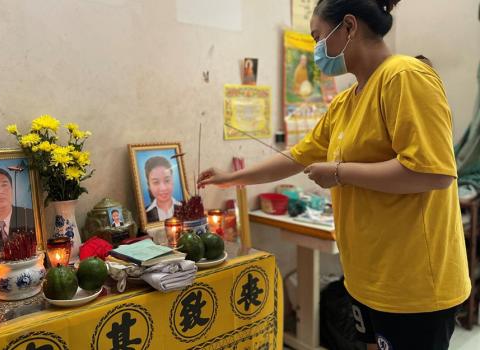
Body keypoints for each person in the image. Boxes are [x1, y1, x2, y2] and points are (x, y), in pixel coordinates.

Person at [199, 1, 470, 349]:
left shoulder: (404, 76)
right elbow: (297, 156)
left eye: (317, 37)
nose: (316, 51)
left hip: (413, 284)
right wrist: (231, 178)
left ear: (349, 27)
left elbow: (431, 172)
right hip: (367, 279)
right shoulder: (345, 103)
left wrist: (340, 173)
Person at [144, 156, 182, 222]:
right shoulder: (144, 214)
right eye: (156, 182)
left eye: (167, 180)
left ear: (173, 181)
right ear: (149, 185)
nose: (163, 188)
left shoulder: (185, 207)